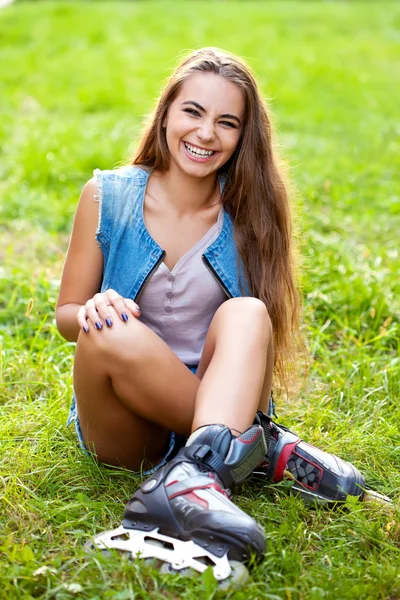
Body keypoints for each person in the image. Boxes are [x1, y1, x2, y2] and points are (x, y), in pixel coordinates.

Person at [56, 48, 378, 581]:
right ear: (165, 115)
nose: (206, 133)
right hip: (125, 423)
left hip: (218, 405)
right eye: (193, 112)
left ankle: (195, 476)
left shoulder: (250, 211)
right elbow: (66, 315)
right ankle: (255, 449)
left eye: (226, 122)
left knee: (249, 312)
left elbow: (251, 346)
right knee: (111, 332)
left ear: (242, 137)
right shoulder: (107, 196)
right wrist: (91, 308)